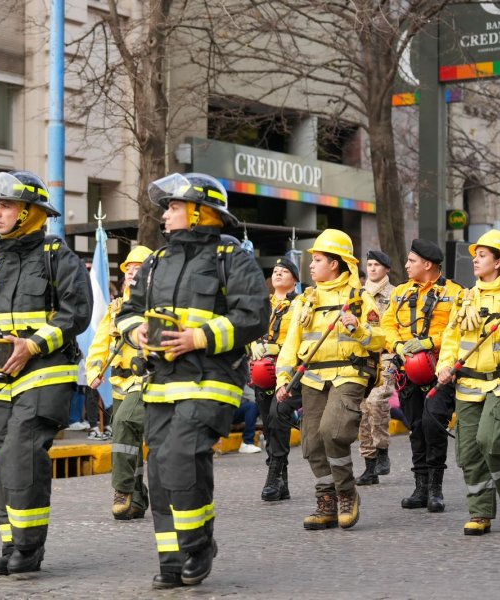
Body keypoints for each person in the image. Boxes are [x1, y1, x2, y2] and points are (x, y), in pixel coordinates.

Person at [116, 172, 269, 589]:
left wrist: (198, 337)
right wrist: (136, 332)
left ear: (201, 211)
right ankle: (172, 559)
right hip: (162, 382)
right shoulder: (157, 261)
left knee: (182, 457)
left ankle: (198, 545)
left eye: (174, 206)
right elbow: (128, 310)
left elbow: (254, 315)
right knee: (161, 469)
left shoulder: (231, 256)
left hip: (212, 380)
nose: (166, 215)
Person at [0, 170, 91, 576]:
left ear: (30, 213)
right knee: (1, 459)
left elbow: (75, 312)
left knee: (21, 454)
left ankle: (28, 548)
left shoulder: (57, 257)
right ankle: (12, 541)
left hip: (44, 374)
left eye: (6, 205)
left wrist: (32, 345)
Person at [275, 229, 385, 531]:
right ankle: (327, 500)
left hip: (348, 375)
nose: (311, 265)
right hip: (312, 379)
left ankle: (347, 493)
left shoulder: (360, 300)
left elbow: (380, 340)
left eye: (318, 259)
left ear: (335, 263)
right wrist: (282, 379)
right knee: (311, 443)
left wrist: (358, 328)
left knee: (332, 431)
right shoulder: (305, 301)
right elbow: (290, 345)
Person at [436, 230, 500, 535]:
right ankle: (480, 512)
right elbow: (452, 338)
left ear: (498, 261)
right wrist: (444, 366)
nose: (476, 260)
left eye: (482, 255)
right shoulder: (465, 297)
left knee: (490, 439)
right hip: (468, 384)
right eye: (476, 255)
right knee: (468, 452)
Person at [381, 239, 464, 513]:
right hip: (408, 371)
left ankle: (436, 489)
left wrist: (430, 342)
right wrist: (397, 347)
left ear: (427, 264)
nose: (405, 265)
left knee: (433, 424)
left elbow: (459, 329)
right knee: (416, 426)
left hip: (440, 372)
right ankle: (421, 487)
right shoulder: (401, 293)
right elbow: (388, 325)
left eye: (411, 261)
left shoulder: (456, 293)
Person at [86, 245, 153, 520]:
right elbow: (100, 343)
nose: (132, 274)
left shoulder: (156, 304)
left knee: (125, 424)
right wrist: (93, 372)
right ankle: (137, 499)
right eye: (129, 269)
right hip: (119, 383)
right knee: (128, 441)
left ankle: (122, 489)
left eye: (139, 269)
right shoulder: (115, 307)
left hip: (146, 380)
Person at [249, 255, 299, 501]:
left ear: (294, 279)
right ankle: (282, 483)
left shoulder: (300, 304)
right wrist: (255, 345)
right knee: (269, 426)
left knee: (277, 417)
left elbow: (299, 338)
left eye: (284, 271)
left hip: (287, 373)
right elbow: (251, 328)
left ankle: (273, 476)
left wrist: (275, 348)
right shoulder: (263, 304)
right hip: (261, 372)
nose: (278, 273)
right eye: (276, 270)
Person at [356, 250, 395, 485]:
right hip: (364, 356)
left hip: (387, 356)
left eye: (377, 265)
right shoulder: (358, 294)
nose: (371, 269)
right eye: (369, 264)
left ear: (386, 269)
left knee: (376, 401)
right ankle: (369, 465)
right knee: (361, 408)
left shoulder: (394, 294)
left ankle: (382, 449)